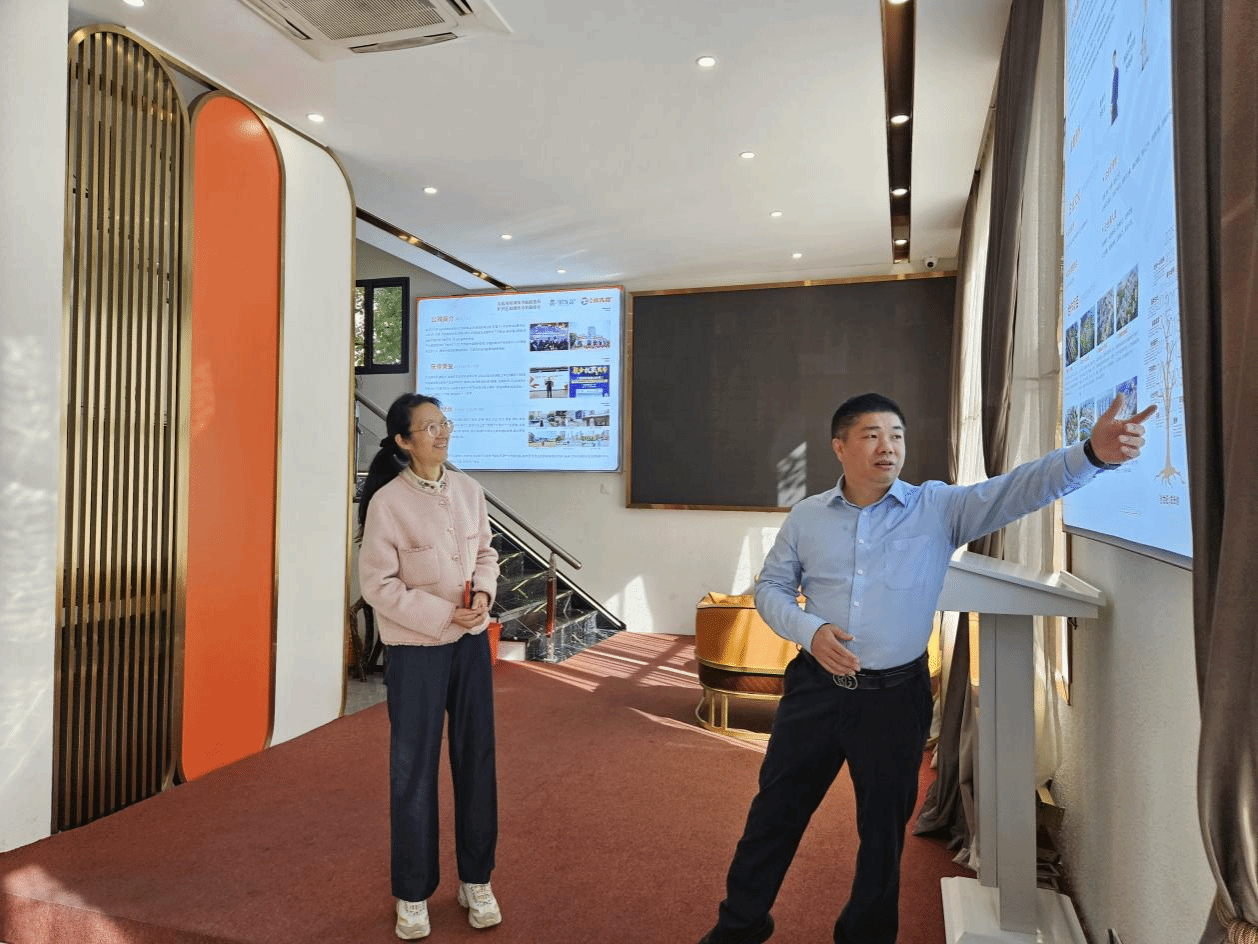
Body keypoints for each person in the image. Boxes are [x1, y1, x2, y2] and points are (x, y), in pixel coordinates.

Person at [699, 390, 1154, 944]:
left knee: (882, 836)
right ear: (840, 447)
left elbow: (1016, 489)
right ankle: (739, 927)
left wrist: (1090, 455)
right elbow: (771, 586)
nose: (887, 447)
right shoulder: (808, 516)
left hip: (894, 700)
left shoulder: (937, 508)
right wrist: (809, 629)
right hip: (815, 691)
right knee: (774, 815)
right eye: (871, 435)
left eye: (896, 436)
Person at [358, 393, 502, 940]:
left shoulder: (469, 490)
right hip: (416, 651)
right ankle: (413, 892)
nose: (442, 433)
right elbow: (378, 585)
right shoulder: (387, 503)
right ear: (403, 441)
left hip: (470, 646)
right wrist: (444, 615)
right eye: (428, 427)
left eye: (443, 423)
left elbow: (485, 554)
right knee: (413, 771)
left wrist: (483, 595)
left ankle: (476, 880)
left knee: (477, 761)